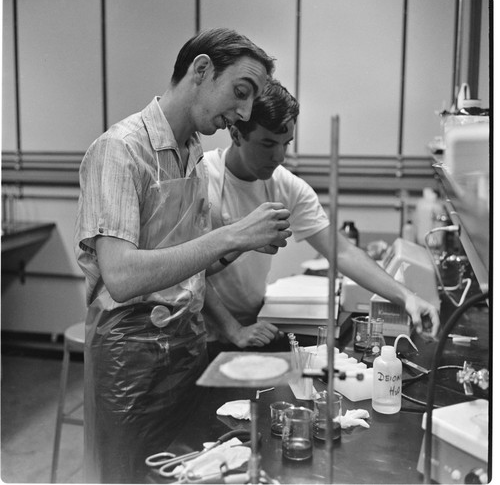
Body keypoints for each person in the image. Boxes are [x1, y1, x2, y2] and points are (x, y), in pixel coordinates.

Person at [74, 28, 293, 484]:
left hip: (185, 347)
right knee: (129, 474)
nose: (245, 112)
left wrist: (242, 243)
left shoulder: (192, 151)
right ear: (200, 70)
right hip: (129, 361)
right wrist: (230, 235)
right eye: (240, 92)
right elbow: (122, 276)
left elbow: (187, 264)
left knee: (185, 472)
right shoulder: (120, 151)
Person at [202, 79, 440, 356]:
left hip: (255, 326)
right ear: (235, 133)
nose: (279, 156)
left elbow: (343, 252)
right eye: (267, 143)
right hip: (204, 334)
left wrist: (408, 298)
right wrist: (232, 330)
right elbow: (189, 273)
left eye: (286, 143)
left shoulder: (285, 185)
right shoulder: (203, 179)